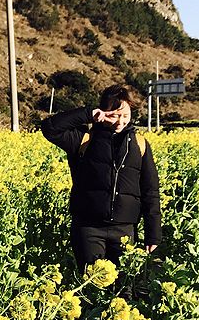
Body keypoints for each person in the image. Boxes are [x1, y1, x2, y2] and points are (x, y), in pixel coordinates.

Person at [41, 84, 162, 271]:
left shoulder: (140, 144)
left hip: (124, 230)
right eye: (115, 115)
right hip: (88, 228)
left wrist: (153, 235)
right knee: (92, 282)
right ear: (104, 111)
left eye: (125, 115)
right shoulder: (83, 139)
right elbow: (50, 128)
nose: (120, 122)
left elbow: (150, 190)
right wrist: (89, 114)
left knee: (123, 284)